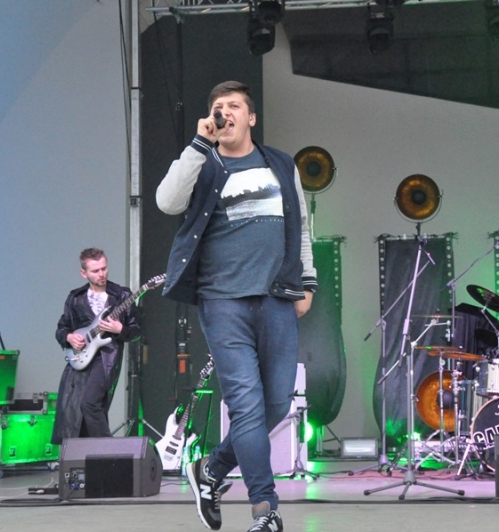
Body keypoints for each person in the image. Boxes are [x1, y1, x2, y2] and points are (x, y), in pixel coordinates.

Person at [156, 80, 316, 532]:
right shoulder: (203, 163)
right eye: (218, 107)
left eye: (234, 106)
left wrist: (308, 283)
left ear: (251, 117)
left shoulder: (280, 163)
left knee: (277, 405)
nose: (224, 112)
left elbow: (302, 227)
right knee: (245, 407)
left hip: (277, 298)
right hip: (222, 301)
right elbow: (167, 202)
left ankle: (210, 469)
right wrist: (198, 144)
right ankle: (266, 509)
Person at [52, 248, 141, 444]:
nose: (102, 274)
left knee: (90, 403)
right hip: (80, 356)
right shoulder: (75, 297)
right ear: (83, 273)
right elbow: (62, 328)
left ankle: (109, 451)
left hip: (106, 357)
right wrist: (69, 337)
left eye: (104, 268)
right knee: (75, 411)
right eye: (95, 271)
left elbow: (137, 331)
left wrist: (120, 329)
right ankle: (87, 455)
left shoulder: (121, 295)